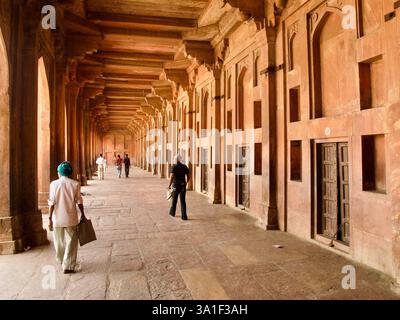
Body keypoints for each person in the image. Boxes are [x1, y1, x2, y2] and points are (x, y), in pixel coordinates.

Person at [48, 162, 86, 274]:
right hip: (71, 218)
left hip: (57, 218)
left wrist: (50, 218)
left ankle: (61, 259)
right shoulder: (75, 184)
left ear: (59, 173)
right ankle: (68, 265)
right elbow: (79, 201)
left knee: (59, 242)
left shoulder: (53, 184)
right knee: (71, 242)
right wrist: (83, 214)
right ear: (69, 173)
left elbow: (52, 202)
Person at [168, 155, 190, 220]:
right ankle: (184, 216)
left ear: (176, 160)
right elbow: (189, 175)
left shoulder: (174, 167)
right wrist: (186, 182)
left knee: (174, 200)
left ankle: (172, 213)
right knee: (183, 201)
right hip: (183, 185)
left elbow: (172, 176)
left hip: (175, 186)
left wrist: (169, 185)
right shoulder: (184, 166)